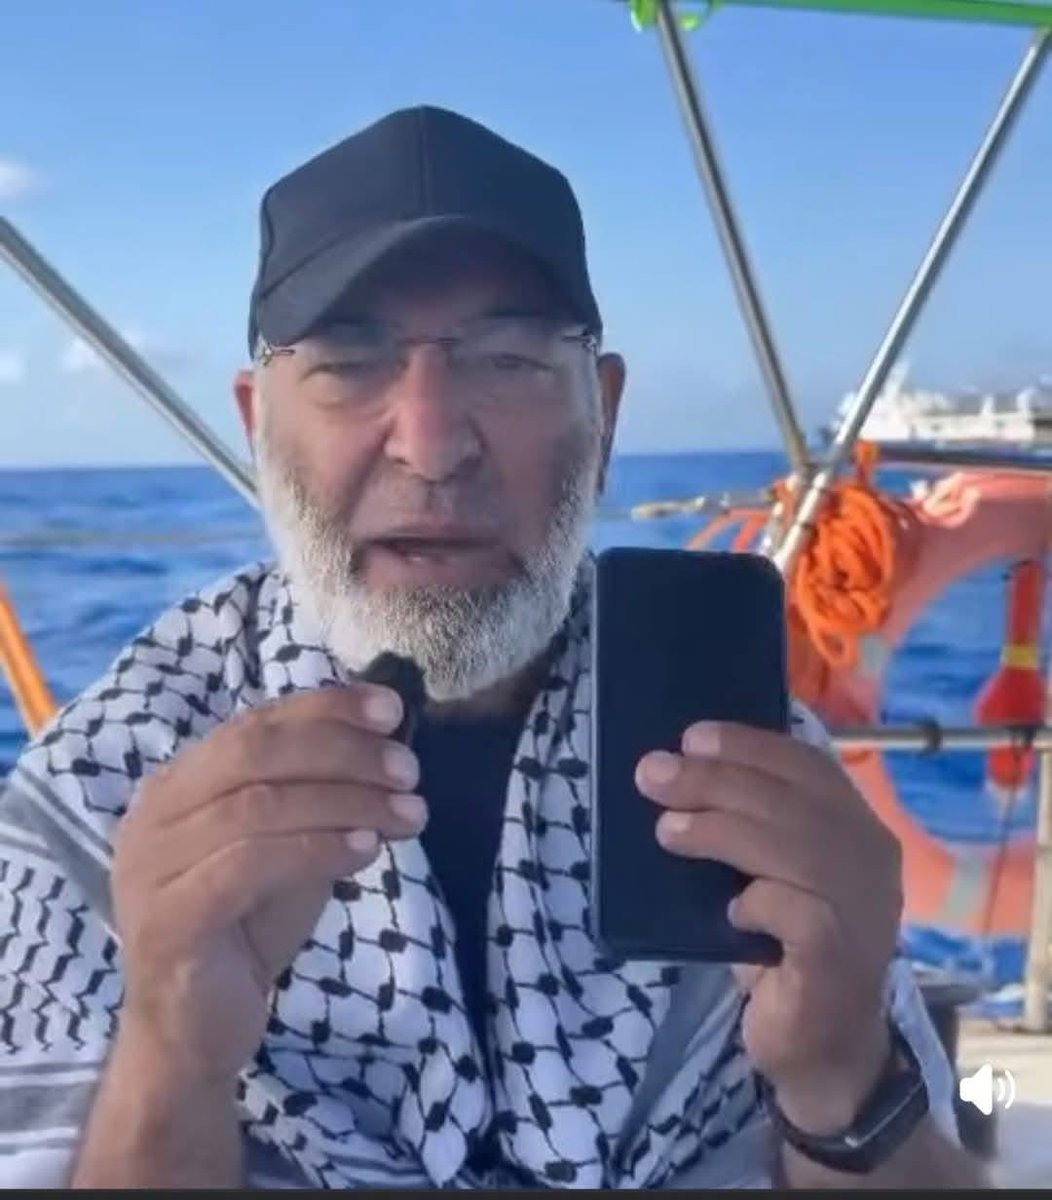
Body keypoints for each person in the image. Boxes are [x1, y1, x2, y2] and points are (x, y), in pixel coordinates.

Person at [0, 105, 986, 1190]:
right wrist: (171, 1060)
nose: (431, 446)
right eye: (348, 362)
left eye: (510, 360)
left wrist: (843, 1078)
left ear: (603, 421)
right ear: (256, 424)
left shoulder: (733, 755)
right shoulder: (111, 788)